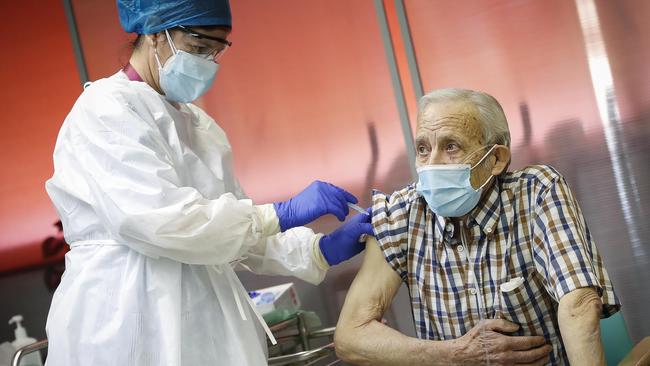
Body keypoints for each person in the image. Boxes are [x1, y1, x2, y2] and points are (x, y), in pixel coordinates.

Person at [44, 1, 372, 365]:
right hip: (127, 315)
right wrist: (280, 214)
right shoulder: (105, 110)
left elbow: (228, 233)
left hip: (206, 317)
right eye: (198, 48)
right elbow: (159, 222)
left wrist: (318, 250)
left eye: (216, 51)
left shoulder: (200, 126)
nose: (206, 62)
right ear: (155, 32)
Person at [334, 88, 620, 365]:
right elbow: (351, 335)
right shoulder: (402, 213)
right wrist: (455, 355)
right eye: (423, 149)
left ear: (496, 159)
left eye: (451, 147)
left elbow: (579, 304)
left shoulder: (537, 193)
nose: (432, 165)